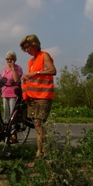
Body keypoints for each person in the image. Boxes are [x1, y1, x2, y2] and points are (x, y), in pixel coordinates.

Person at [20, 34, 56, 167]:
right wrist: (26, 77)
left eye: (27, 48)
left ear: (34, 45)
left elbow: (53, 71)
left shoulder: (44, 55)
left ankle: (39, 153)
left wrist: (37, 73)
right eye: (24, 49)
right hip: (33, 97)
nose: (26, 51)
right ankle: (44, 150)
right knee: (37, 125)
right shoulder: (31, 61)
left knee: (39, 124)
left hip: (43, 96)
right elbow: (32, 77)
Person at [1, 51, 23, 123]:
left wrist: (13, 68)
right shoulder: (5, 68)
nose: (9, 61)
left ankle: (13, 129)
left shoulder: (18, 68)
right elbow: (3, 78)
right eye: (7, 59)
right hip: (5, 92)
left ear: (15, 60)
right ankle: (6, 129)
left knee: (12, 113)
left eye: (11, 59)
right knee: (6, 113)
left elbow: (16, 80)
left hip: (13, 94)